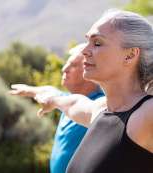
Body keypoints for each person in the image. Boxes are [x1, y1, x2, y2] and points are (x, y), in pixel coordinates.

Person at [35, 9, 153, 173]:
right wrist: (51, 99)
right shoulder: (99, 111)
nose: (84, 51)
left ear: (130, 55)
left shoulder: (147, 115)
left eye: (97, 43)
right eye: (87, 42)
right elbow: (72, 103)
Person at [10, 44, 103, 173]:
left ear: (91, 70)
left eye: (74, 65)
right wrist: (29, 90)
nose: (64, 69)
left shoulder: (101, 105)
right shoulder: (65, 101)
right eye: (66, 64)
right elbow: (49, 90)